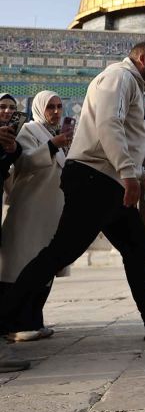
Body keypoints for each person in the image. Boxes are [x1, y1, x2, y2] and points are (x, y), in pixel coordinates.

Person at [0, 42, 145, 341]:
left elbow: (120, 137)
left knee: (135, 245)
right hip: (95, 180)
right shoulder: (119, 77)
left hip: (106, 178)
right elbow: (108, 125)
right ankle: (4, 317)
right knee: (60, 252)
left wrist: (140, 173)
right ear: (141, 58)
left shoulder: (133, 84)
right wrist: (129, 175)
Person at [1, 91, 73, 342]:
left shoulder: (56, 136)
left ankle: (34, 320)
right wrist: (53, 146)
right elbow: (24, 163)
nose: (55, 111)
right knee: (19, 267)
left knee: (44, 268)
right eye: (50, 106)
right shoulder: (28, 131)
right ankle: (13, 325)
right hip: (30, 208)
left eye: (59, 106)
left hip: (51, 210)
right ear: (39, 108)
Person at [0, 93, 31, 372]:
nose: (8, 111)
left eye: (12, 108)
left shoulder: (12, 142)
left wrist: (10, 149)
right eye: (2, 107)